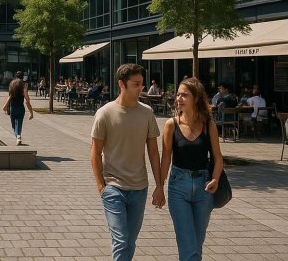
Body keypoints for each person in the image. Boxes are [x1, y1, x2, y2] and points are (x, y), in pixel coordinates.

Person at [90, 63, 164, 261]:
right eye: (136, 84)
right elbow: (95, 152)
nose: (141, 88)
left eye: (142, 84)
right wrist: (101, 186)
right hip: (113, 187)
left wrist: (159, 185)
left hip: (139, 188)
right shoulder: (105, 113)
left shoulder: (147, 113)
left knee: (130, 241)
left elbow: (154, 153)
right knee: (121, 240)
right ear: (122, 84)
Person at [160, 77, 223, 261]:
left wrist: (216, 179)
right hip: (178, 186)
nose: (179, 98)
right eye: (178, 94)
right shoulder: (171, 124)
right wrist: (159, 186)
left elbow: (218, 158)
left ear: (195, 98)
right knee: (188, 245)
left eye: (185, 95)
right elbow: (166, 158)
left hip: (204, 187)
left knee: (197, 243)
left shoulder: (208, 124)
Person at [2, 71, 33, 145]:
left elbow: (9, 97)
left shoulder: (12, 84)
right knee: (19, 125)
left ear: (16, 76)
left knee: (13, 126)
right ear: (22, 77)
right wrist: (31, 112)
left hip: (13, 108)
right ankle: (18, 136)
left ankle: (18, 137)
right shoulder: (23, 85)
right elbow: (27, 100)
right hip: (21, 108)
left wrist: (6, 107)